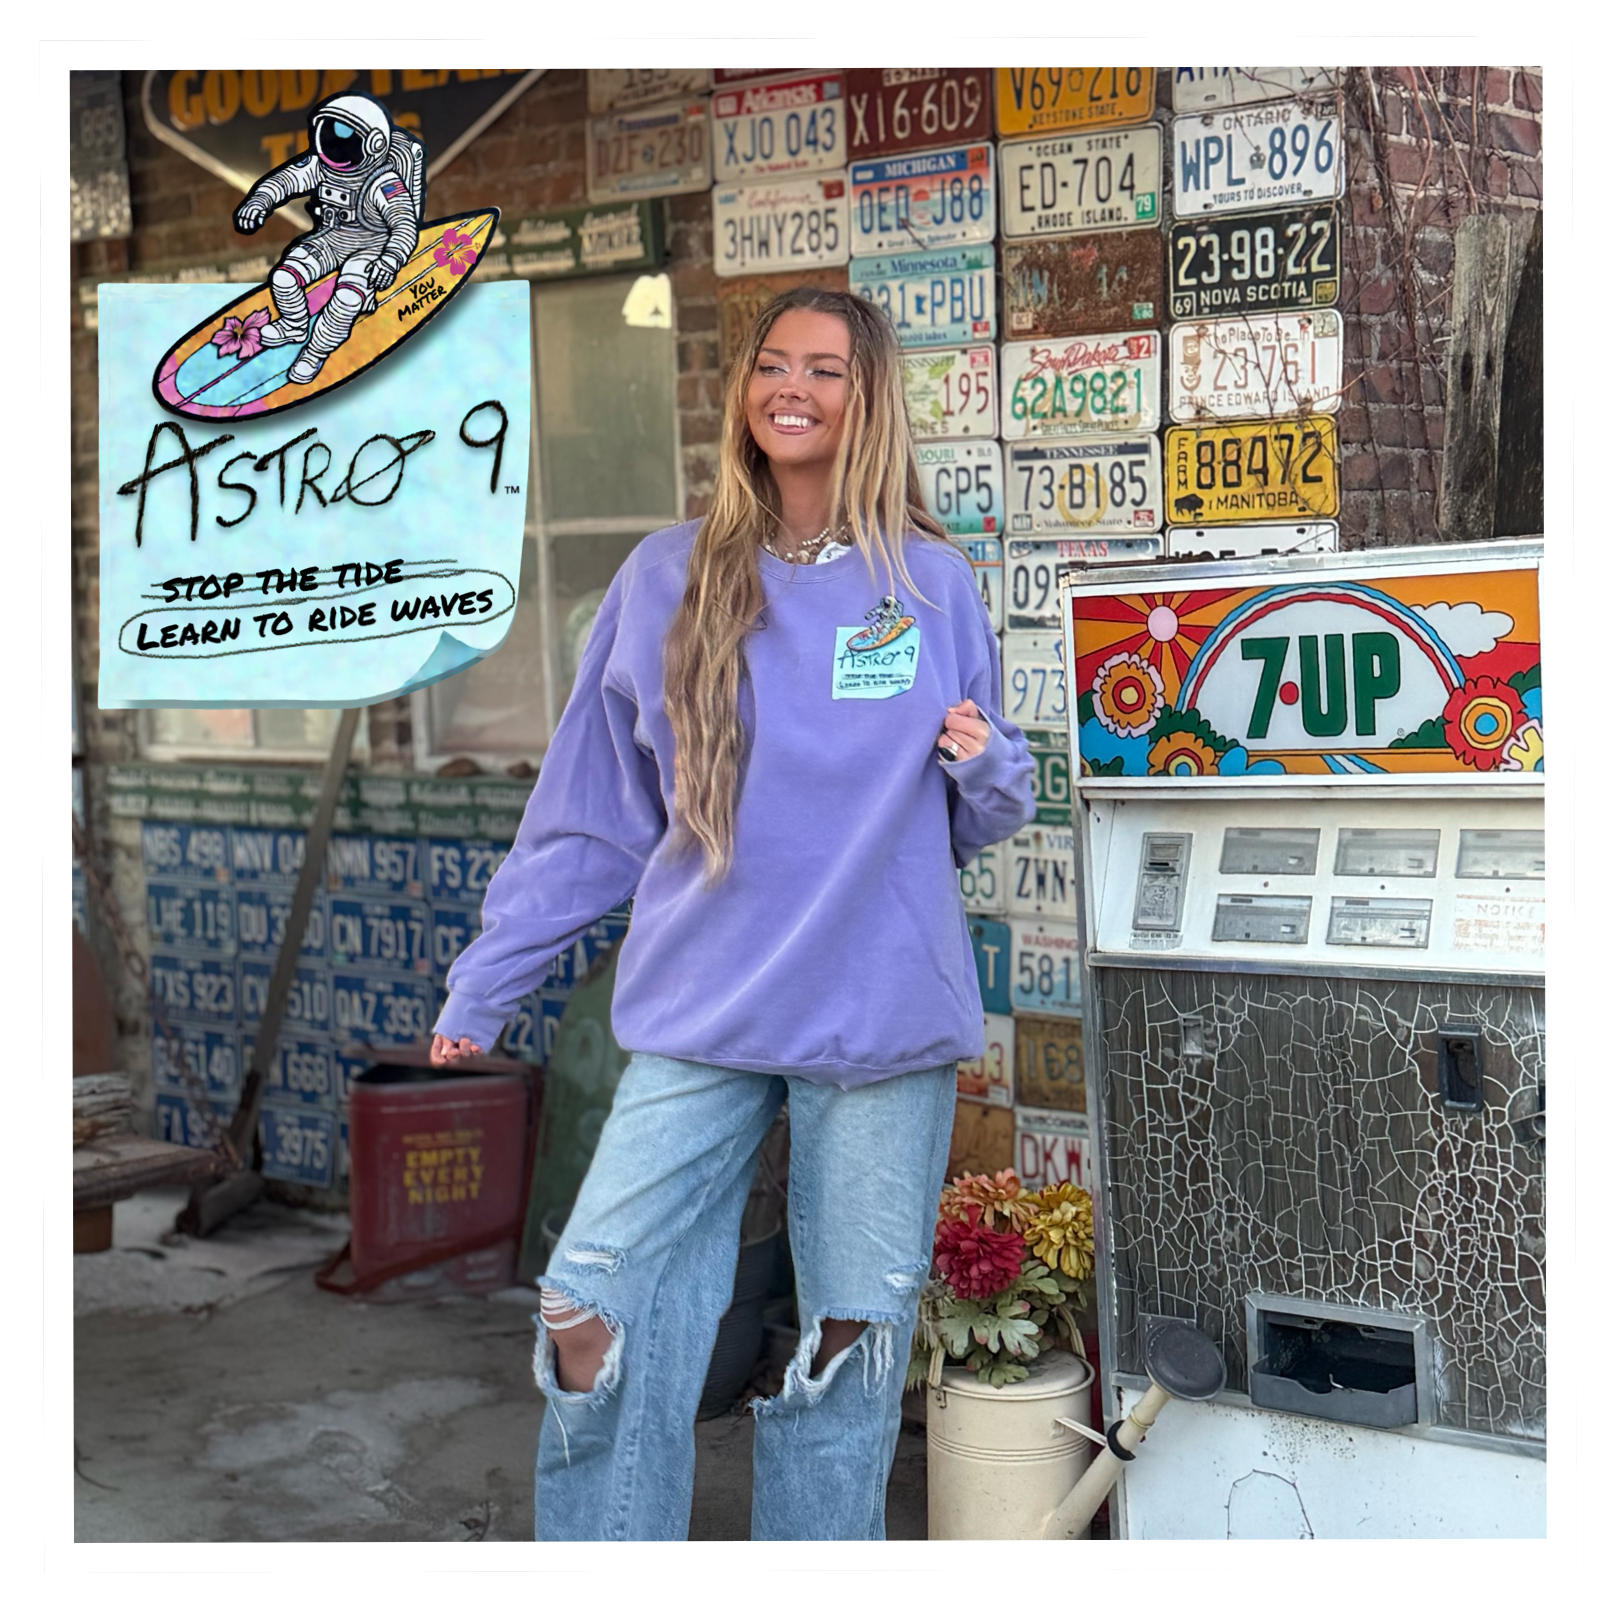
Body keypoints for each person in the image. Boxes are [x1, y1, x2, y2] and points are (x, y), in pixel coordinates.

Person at [431, 286, 1036, 1541]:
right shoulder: (664, 576)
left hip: (876, 1010)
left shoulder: (926, 583)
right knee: (589, 1304)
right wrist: (488, 981)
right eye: (772, 364)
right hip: (703, 1006)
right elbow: (590, 816)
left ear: (867, 398)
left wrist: (985, 764)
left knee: (847, 1343)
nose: (790, 387)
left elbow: (980, 807)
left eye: (824, 368)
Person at [232, 93, 424, 384]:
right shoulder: (320, 167)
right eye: (329, 134)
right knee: (283, 278)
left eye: (345, 138)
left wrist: (390, 259)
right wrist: (260, 201)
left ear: (374, 144)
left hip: (371, 248)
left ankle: (315, 353)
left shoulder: (384, 183)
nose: (335, 146)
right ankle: (294, 324)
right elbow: (285, 180)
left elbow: (404, 225)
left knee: (347, 299)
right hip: (331, 239)